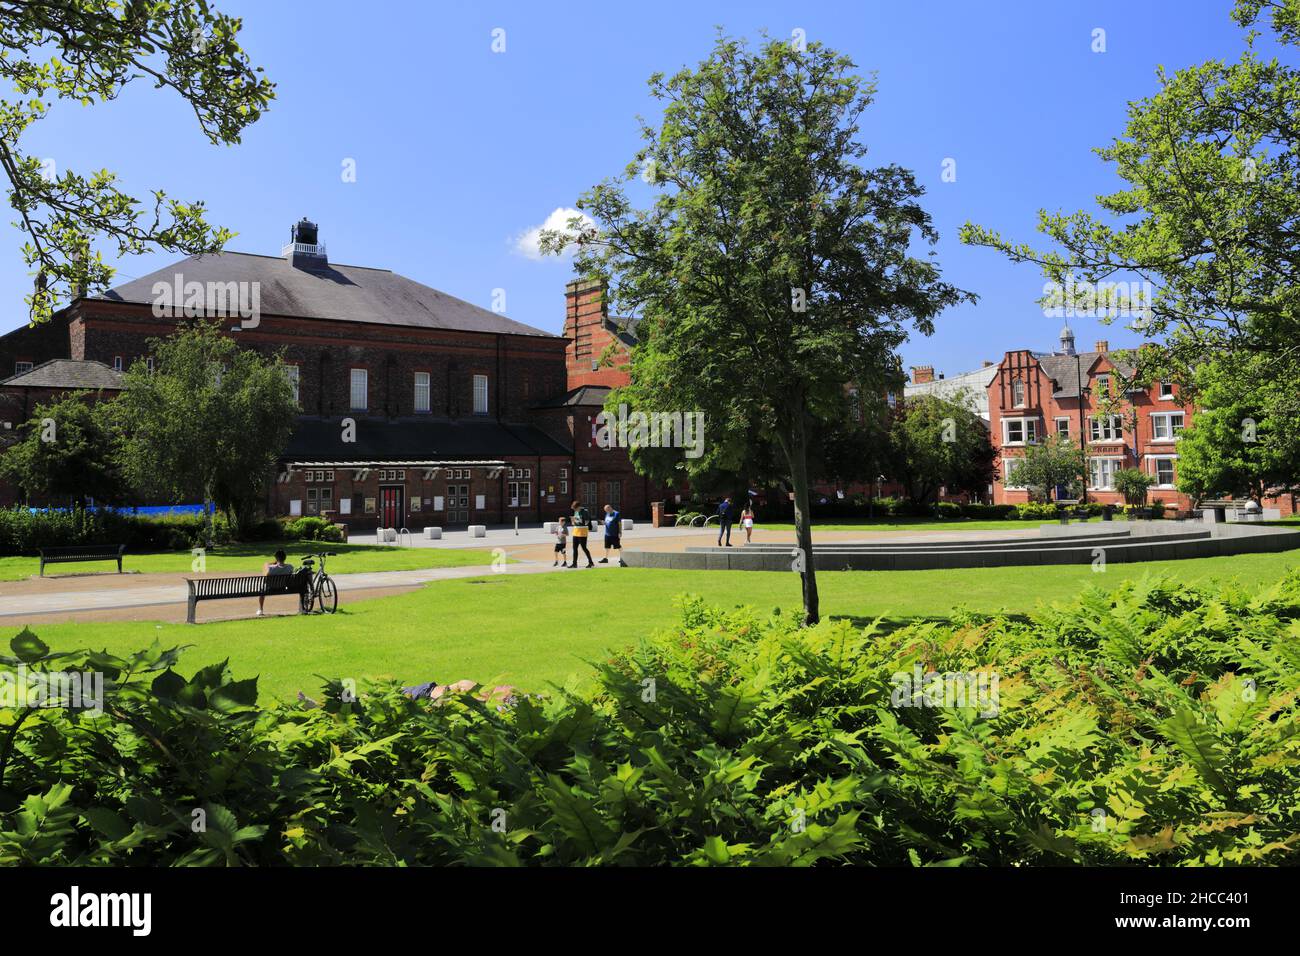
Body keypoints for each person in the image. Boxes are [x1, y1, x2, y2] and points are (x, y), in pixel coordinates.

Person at [257, 549, 294, 616]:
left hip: (271, 588)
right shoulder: (290, 567)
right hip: (282, 588)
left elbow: (265, 576)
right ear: (285, 558)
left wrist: (268, 564)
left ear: (276, 558)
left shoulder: (271, 568)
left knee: (261, 591)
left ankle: (260, 609)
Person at [569, 500, 594, 568]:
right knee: (574, 548)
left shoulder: (584, 512)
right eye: (574, 509)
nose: (575, 510)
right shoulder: (576, 511)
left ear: (579, 507)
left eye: (575, 508)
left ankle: (591, 562)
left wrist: (578, 520)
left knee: (584, 548)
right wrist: (573, 521)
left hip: (582, 531)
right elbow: (575, 523)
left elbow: (586, 522)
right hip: (576, 531)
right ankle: (574, 563)